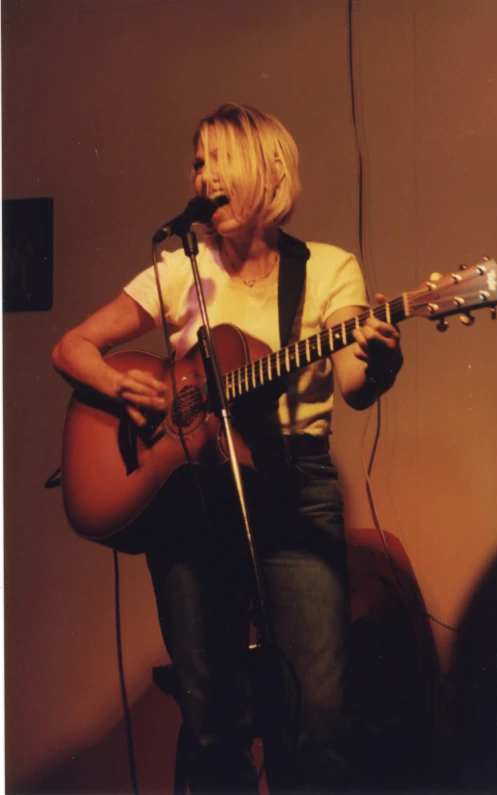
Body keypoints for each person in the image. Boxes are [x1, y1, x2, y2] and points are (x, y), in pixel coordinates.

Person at [52, 103, 403, 793]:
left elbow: (356, 384)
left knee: (317, 720)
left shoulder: (329, 269)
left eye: (217, 160)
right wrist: (125, 389)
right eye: (196, 162)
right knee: (214, 723)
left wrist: (379, 358)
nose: (202, 175)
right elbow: (73, 348)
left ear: (265, 171)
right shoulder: (181, 269)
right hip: (192, 503)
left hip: (294, 486)